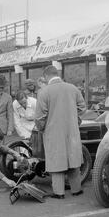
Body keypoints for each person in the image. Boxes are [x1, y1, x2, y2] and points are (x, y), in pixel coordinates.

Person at [35, 65, 86, 199]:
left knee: (56, 161)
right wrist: (76, 121)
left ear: (46, 76)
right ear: (57, 74)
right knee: (73, 159)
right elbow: (82, 107)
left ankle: (59, 193)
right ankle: (76, 189)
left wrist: (42, 128)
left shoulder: (44, 92)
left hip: (53, 132)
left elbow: (40, 117)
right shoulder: (73, 88)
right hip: (72, 131)